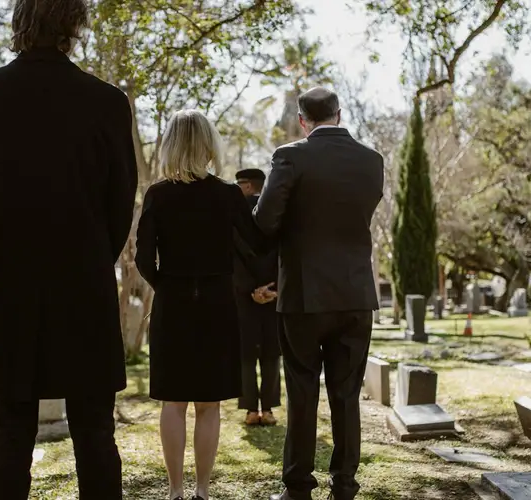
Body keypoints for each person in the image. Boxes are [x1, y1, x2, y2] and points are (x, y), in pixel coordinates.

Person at [0, 0, 137, 498]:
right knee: (96, 435)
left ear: (18, 23)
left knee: (9, 436)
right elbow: (121, 204)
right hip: (83, 286)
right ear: (75, 24)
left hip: (9, 283)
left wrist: (8, 241)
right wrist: (91, 253)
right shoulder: (107, 102)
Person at [255, 88, 384, 500]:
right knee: (347, 394)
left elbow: (265, 221)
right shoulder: (372, 160)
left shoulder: (290, 156)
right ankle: (344, 485)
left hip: (305, 295)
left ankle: (297, 488)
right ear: (339, 114)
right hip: (355, 293)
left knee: (302, 390)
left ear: (302, 120)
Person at [135, 110, 266, 500]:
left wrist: (168, 285)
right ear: (209, 144)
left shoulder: (157, 194)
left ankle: (175, 491)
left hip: (173, 303)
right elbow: (257, 244)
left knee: (173, 403)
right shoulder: (228, 194)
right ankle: (202, 491)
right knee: (209, 405)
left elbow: (144, 258)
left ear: (172, 144)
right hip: (217, 304)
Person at [232, 168, 282, 427]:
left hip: (244, 296)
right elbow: (283, 253)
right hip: (274, 295)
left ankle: (251, 410)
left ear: (249, 186)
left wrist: (251, 289)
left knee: (246, 355)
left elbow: (233, 258)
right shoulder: (278, 214)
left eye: (238, 184)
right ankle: (270, 409)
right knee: (272, 354)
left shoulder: (233, 215)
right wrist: (272, 288)